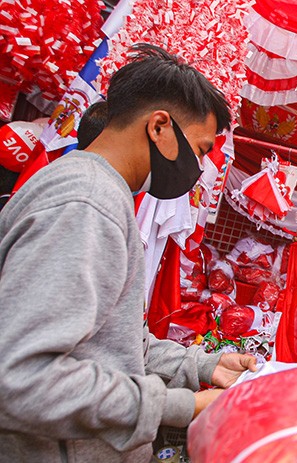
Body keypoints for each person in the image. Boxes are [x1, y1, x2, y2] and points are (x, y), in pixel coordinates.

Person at [0, 44, 257, 462]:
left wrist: (204, 367)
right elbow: (23, 378)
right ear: (159, 127)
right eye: (202, 149)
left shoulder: (100, 193)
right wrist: (183, 406)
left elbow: (110, 345)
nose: (202, 168)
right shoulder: (87, 203)